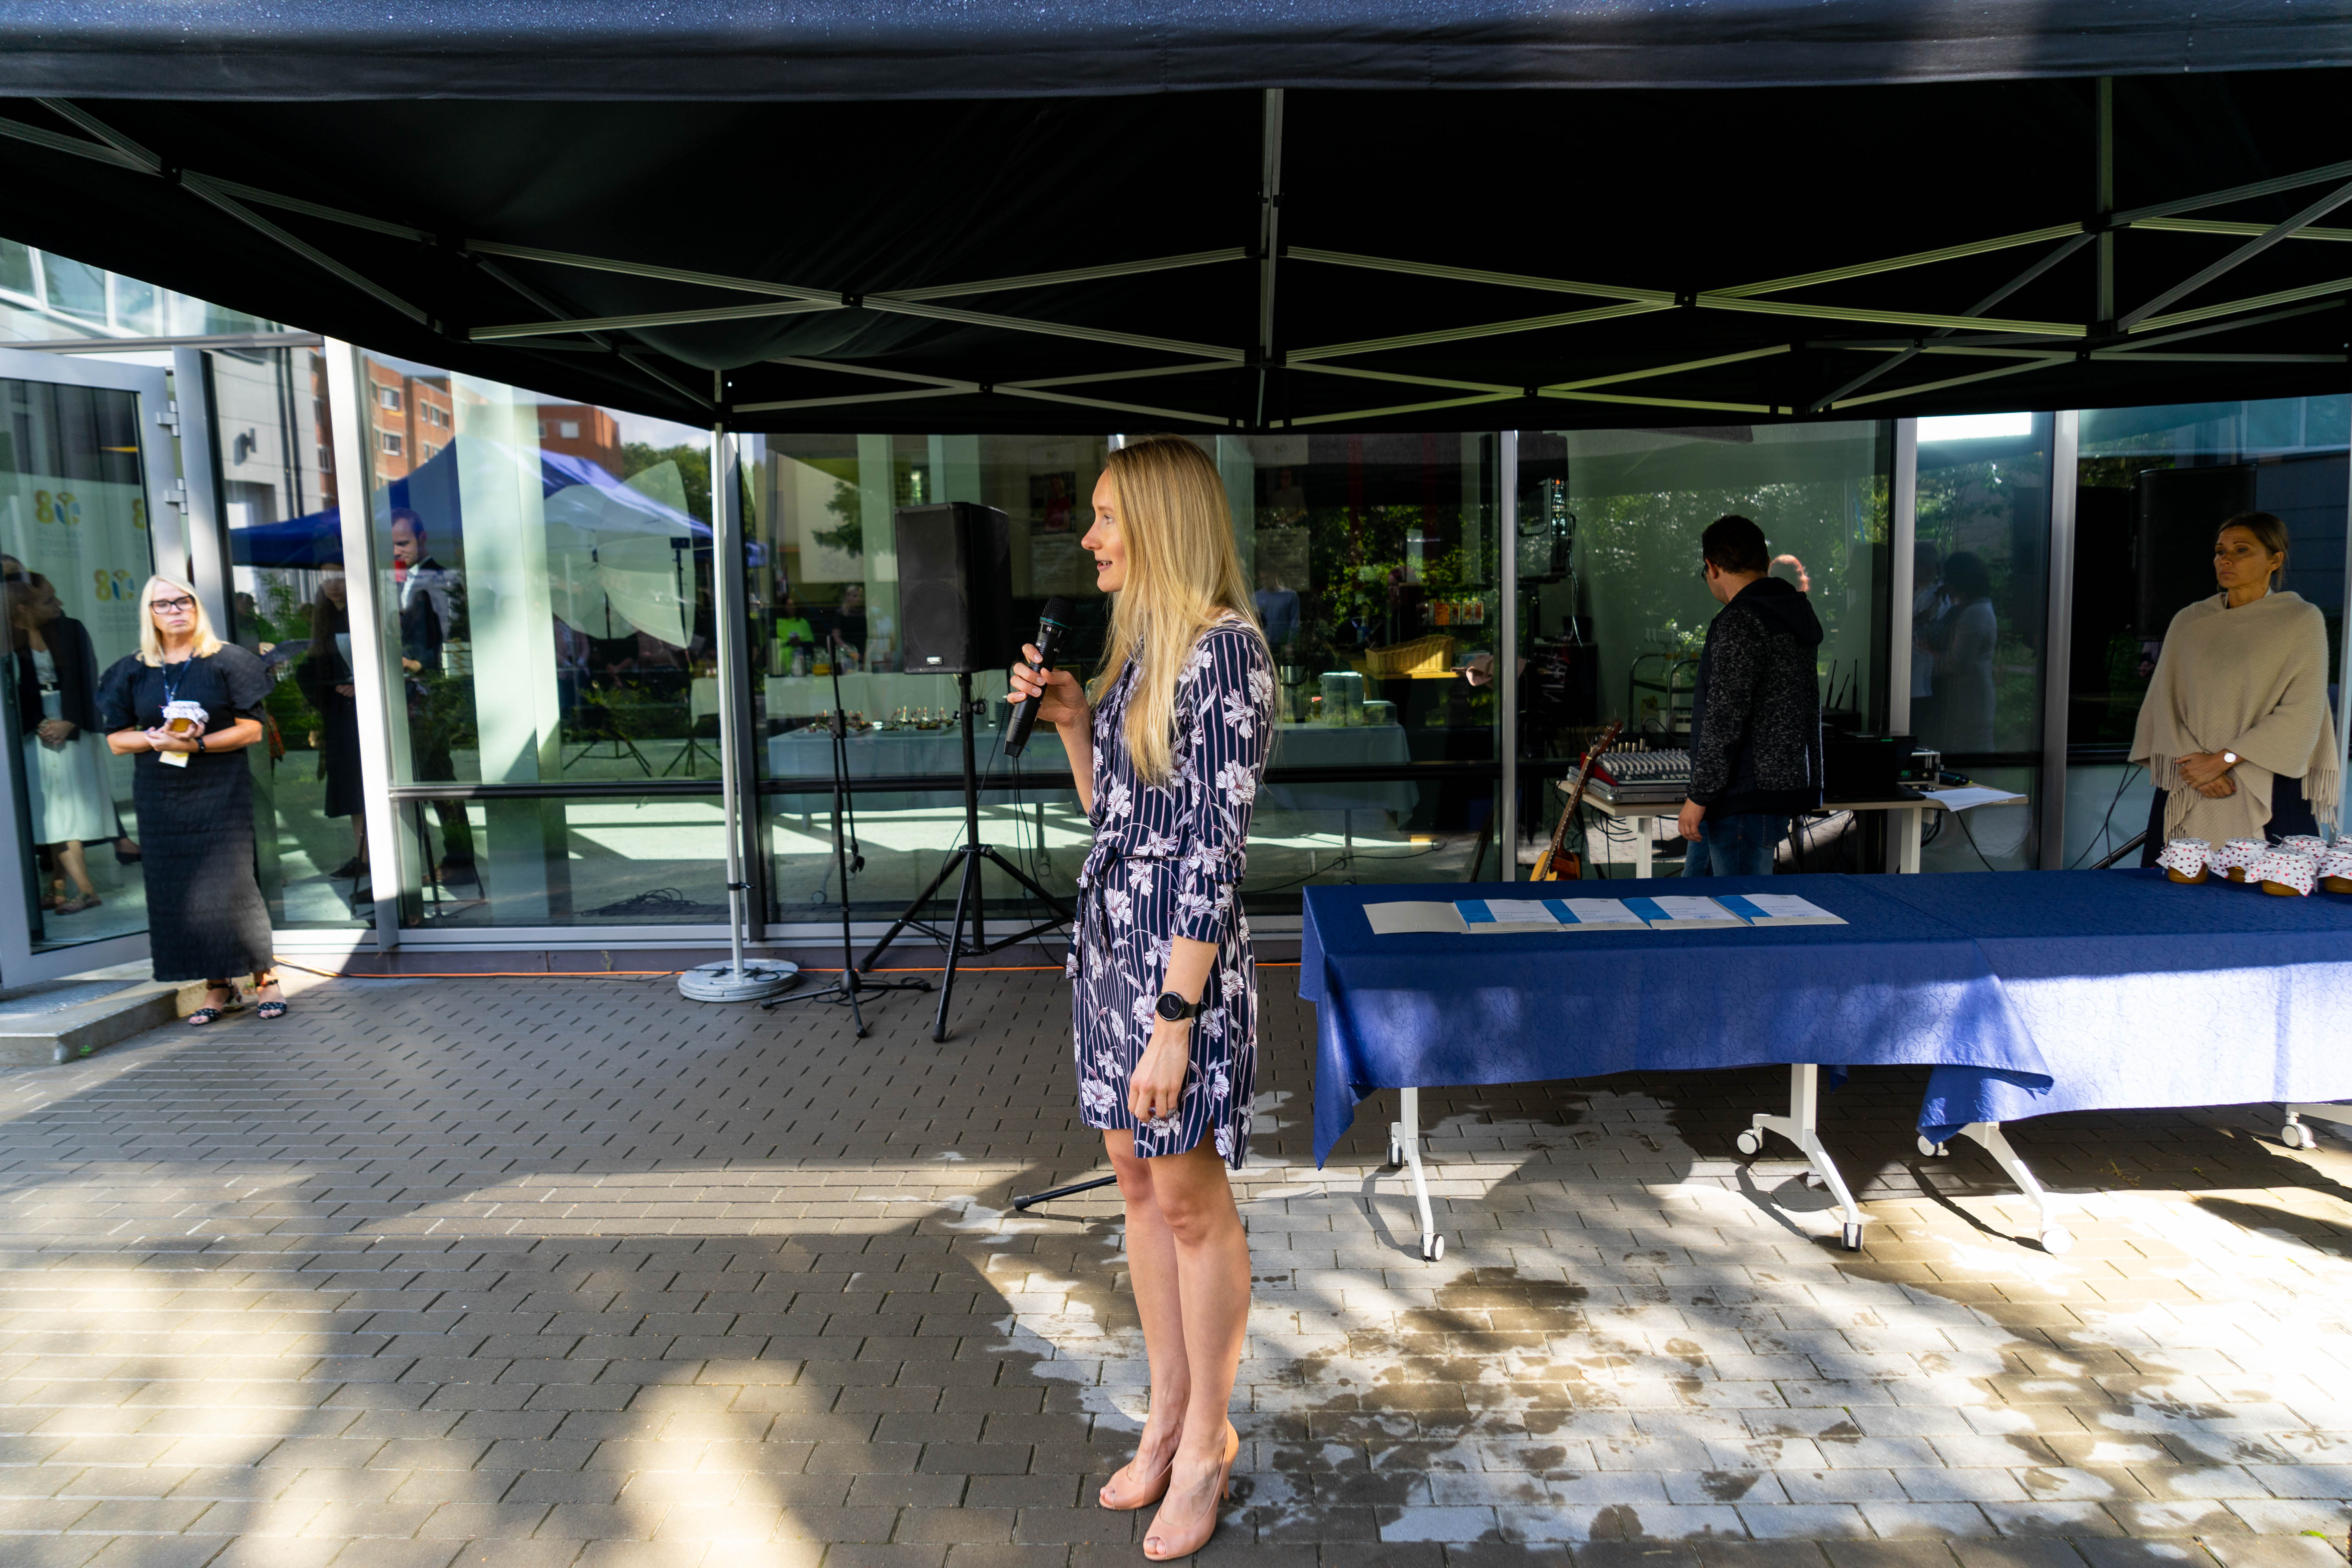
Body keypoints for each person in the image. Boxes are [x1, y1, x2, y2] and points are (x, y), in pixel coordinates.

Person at [1006, 436, 1273, 1562]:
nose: (1089, 537)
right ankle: (1167, 1415)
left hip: (1179, 969)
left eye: (1107, 516)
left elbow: (1211, 853)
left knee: (1190, 1203)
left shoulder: (1225, 653)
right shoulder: (1140, 655)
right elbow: (1119, 824)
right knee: (1135, 1180)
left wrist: (1175, 1020)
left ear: (1160, 523)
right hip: (1116, 948)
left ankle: (1207, 1439)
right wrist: (1076, 723)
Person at [98, 576, 283, 1024]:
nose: (175, 610)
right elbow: (117, 740)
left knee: (233, 885)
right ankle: (218, 986)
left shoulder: (227, 661)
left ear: (196, 607)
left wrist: (197, 745)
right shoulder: (133, 670)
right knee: (181, 891)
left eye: (183, 601)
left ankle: (265, 979)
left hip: (220, 788)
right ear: (150, 614)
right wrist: (156, 738)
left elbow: (252, 730)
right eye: (163, 604)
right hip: (161, 795)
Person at [2132, 511, 2339, 857]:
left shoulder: (2300, 620)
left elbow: (2303, 711)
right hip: (2191, 778)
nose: (2225, 559)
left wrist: (2223, 760)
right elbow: (2162, 703)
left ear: (2275, 560)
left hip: (2271, 779)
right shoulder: (2190, 620)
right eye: (2220, 551)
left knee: (2271, 887)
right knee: (2176, 885)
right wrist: (2200, 769)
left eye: (2242, 550)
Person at [1678, 514, 1824, 876]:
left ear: (1713, 567)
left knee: (1740, 904)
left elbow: (1724, 718)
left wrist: (1698, 795)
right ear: (1764, 561)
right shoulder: (1790, 613)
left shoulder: (1741, 620)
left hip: (1740, 794)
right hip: (1759, 789)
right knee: (1692, 900)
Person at [9, 578, 110, 914]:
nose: (59, 605)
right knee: (54, 811)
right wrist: (39, 723)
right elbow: (13, 691)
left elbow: (88, 680)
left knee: (65, 812)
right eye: (49, 601)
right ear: (24, 608)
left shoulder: (69, 630)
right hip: (34, 736)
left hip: (71, 730)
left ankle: (78, 889)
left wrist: (71, 722)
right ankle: (66, 886)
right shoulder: (7, 637)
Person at [296, 567, 368, 880]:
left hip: (366, 713)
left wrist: (362, 684)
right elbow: (313, 669)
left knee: (370, 785)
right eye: (327, 578)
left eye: (340, 577)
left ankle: (383, 861)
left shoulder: (364, 613)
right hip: (341, 714)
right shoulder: (325, 619)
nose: (333, 585)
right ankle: (364, 858)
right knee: (353, 789)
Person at [1926, 551, 1998, 756]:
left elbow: (1958, 663)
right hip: (1958, 702)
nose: (1944, 584)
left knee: (1968, 757)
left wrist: (1926, 658)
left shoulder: (1976, 613)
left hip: (1969, 703)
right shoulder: (1961, 608)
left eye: (1947, 579)